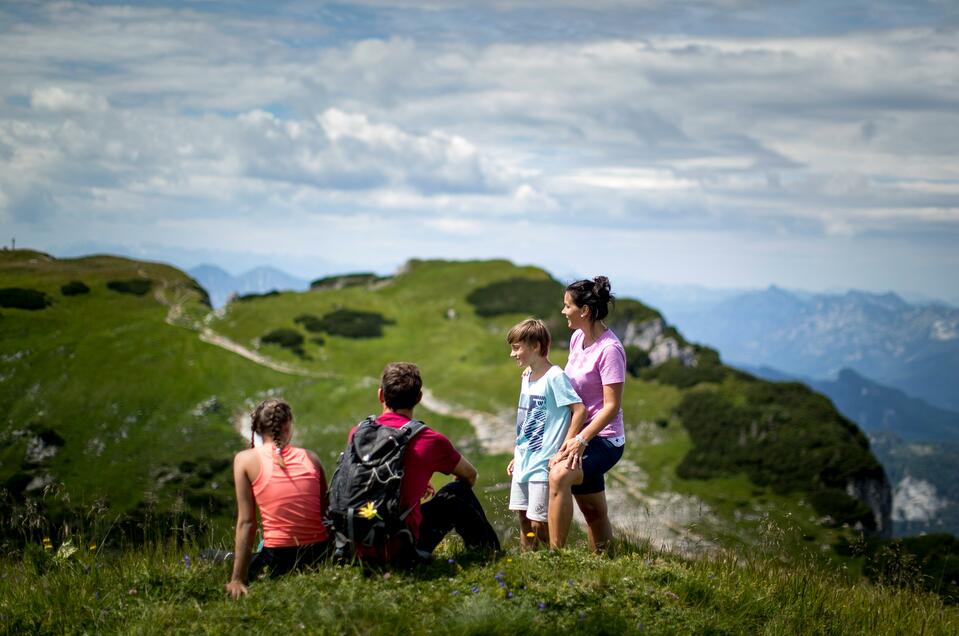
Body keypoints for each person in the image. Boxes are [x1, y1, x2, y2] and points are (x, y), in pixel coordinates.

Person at [348, 362, 500, 564]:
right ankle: (489, 555)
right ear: (419, 398)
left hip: (357, 541)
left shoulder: (358, 433)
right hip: (403, 546)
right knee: (458, 492)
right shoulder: (429, 440)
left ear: (380, 395)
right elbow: (470, 475)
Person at [549, 276, 626, 552]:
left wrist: (580, 441)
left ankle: (554, 555)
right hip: (580, 433)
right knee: (593, 511)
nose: (563, 311)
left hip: (604, 440)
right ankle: (603, 566)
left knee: (559, 475)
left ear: (584, 311)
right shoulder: (577, 338)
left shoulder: (610, 350)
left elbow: (611, 406)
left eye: (567, 306)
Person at [225, 399, 331, 599]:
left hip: (278, 558)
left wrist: (238, 578)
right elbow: (326, 513)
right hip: (319, 554)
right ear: (288, 425)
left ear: (256, 428)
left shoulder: (244, 460)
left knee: (208, 556)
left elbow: (247, 522)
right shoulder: (311, 457)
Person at [506, 318, 586, 549]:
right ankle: (528, 561)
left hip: (543, 463)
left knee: (539, 523)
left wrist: (566, 447)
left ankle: (555, 556)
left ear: (536, 347)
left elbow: (579, 410)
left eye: (516, 347)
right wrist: (517, 454)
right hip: (524, 459)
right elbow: (528, 421)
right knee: (523, 519)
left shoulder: (555, 377)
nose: (513, 354)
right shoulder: (526, 377)